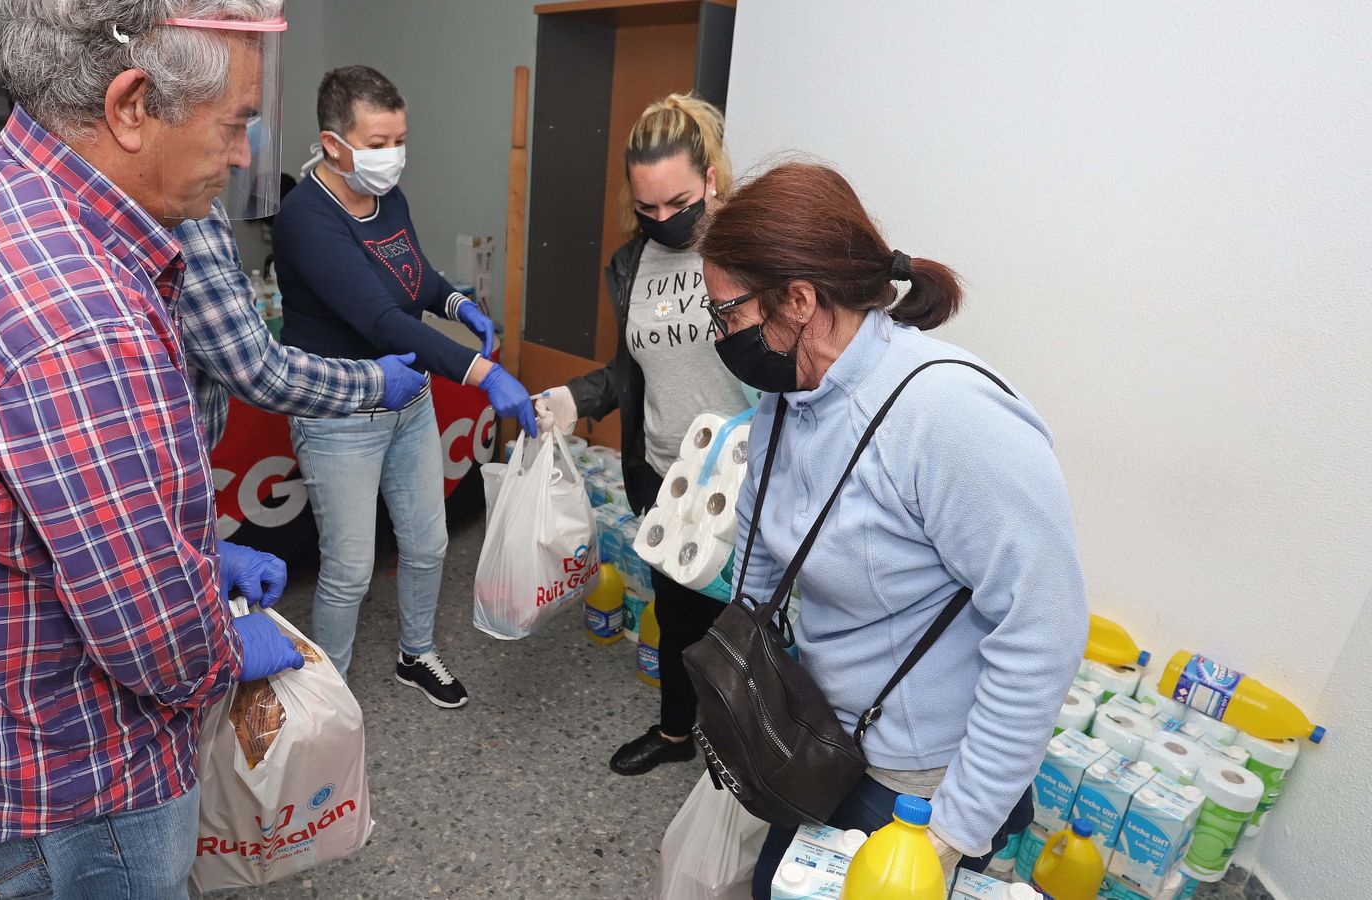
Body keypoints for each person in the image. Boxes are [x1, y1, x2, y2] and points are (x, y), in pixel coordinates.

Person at [0, 2, 308, 895]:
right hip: (68, 786)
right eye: (235, 123)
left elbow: (41, 511)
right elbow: (156, 643)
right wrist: (218, 643)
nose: (242, 155)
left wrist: (190, 551)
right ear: (131, 106)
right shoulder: (76, 319)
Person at [689, 161, 1088, 897]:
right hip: (820, 738)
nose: (719, 334)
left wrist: (951, 835)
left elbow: (1045, 629)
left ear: (799, 300)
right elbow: (760, 544)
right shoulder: (790, 391)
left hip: (918, 787)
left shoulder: (946, 417)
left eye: (728, 314)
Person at [271, 65, 538, 706]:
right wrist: (482, 371)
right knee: (350, 568)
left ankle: (416, 655)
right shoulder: (306, 219)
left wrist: (455, 304)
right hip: (341, 415)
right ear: (334, 144)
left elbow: (412, 278)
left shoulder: (387, 198)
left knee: (428, 541)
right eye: (379, 142)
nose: (393, 156)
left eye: (399, 140)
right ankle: (325, 696)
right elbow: (381, 319)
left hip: (408, 403)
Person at [533, 94, 749, 776]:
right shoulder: (634, 264)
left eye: (677, 201)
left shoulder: (750, 251)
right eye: (647, 207)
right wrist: (576, 397)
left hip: (740, 481)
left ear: (711, 176)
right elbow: (636, 368)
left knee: (743, 628)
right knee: (679, 615)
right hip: (664, 473)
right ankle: (678, 731)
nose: (662, 219)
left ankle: (744, 753)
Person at [174, 196, 427, 451]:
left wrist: (454, 304)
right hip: (179, 459)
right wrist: (377, 381)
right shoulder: (191, 216)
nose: (241, 160)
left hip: (187, 454)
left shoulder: (391, 203)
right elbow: (260, 370)